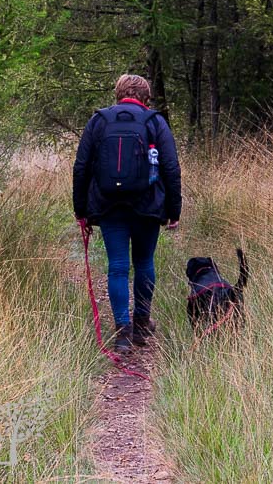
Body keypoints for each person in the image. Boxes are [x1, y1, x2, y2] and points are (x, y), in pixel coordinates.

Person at [72, 74, 182, 351]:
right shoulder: (154, 121)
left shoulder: (98, 120)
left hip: (109, 205)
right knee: (144, 263)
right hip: (148, 205)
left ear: (118, 94)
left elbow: (81, 167)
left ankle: (122, 333)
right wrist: (173, 210)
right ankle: (142, 325)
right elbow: (170, 168)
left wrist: (81, 211)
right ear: (145, 97)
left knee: (118, 266)